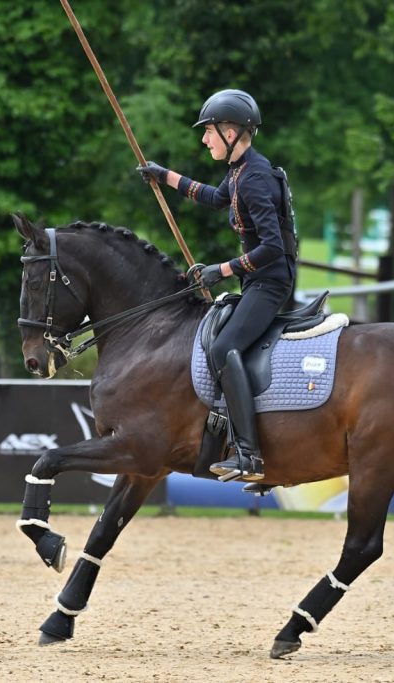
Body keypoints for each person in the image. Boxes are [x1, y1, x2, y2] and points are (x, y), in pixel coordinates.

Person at [136, 89, 296, 482]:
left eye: (208, 131)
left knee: (225, 347)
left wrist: (221, 270)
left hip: (270, 283)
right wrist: (165, 176)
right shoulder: (241, 172)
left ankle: (248, 453)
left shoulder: (255, 179)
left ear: (230, 131)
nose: (204, 140)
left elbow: (273, 247)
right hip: (256, 280)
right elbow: (214, 197)